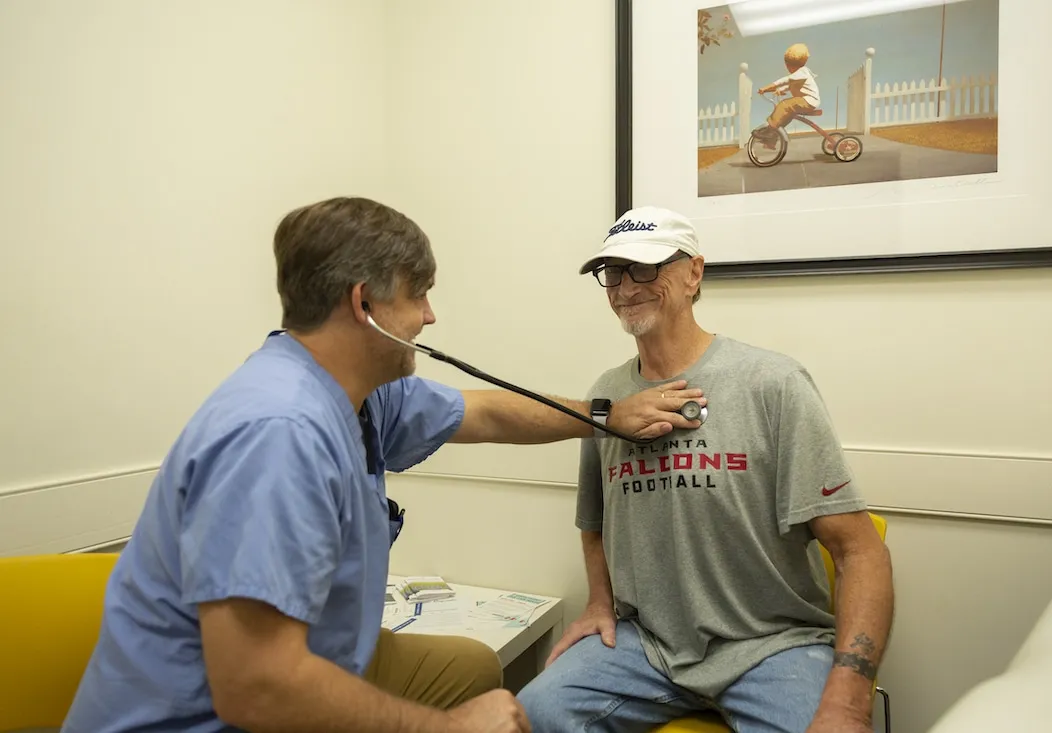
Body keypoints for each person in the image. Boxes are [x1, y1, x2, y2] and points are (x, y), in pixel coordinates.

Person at [60, 197, 707, 733]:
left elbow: (484, 414)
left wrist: (606, 415)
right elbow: (256, 687)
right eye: (419, 296)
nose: (430, 315)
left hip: (320, 655)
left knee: (474, 669)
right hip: (212, 713)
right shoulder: (277, 433)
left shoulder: (362, 390)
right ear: (365, 304)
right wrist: (445, 728)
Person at [515, 206, 895, 733]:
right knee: (531, 715)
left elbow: (860, 550)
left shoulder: (773, 383)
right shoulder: (606, 397)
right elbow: (594, 524)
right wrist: (598, 602)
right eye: (614, 272)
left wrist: (851, 697)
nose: (626, 287)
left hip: (771, 645)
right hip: (647, 647)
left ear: (694, 273)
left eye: (645, 268)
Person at [755, 42, 821, 147]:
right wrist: (778, 90)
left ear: (791, 65)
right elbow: (789, 85)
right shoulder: (799, 74)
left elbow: (785, 80)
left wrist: (766, 88)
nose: (787, 68)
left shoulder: (802, 72)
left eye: (788, 65)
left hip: (808, 101)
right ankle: (771, 140)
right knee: (785, 116)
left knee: (784, 104)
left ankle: (770, 131)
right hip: (806, 101)